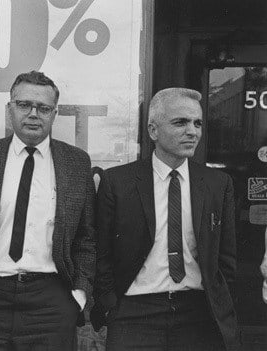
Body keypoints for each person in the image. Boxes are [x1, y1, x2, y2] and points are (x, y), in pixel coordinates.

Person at [0, 70, 96, 351]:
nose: (33, 114)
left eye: (43, 108)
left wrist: (79, 293)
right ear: (9, 109)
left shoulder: (75, 163)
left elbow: (86, 237)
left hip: (49, 302)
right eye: (24, 105)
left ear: (54, 113)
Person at [90, 88, 238, 350]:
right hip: (135, 312)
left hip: (198, 313)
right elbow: (102, 253)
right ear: (153, 131)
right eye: (180, 122)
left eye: (197, 123)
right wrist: (111, 303)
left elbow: (225, 258)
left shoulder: (217, 183)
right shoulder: (118, 182)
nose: (192, 131)